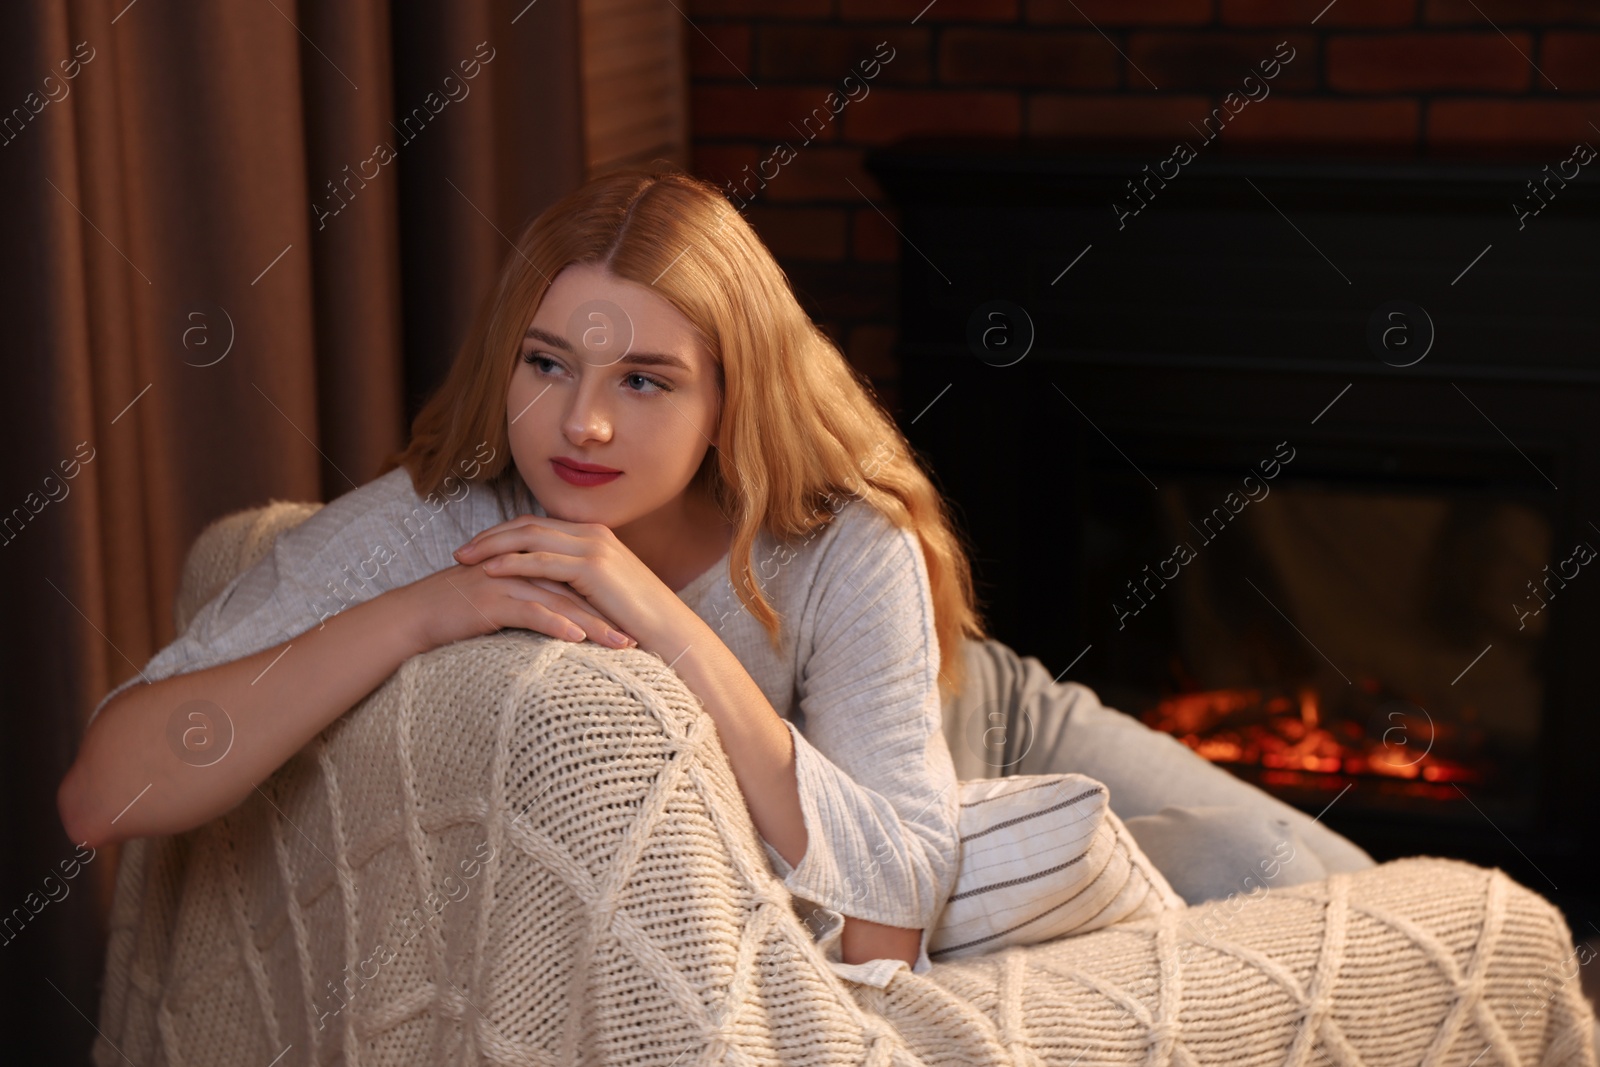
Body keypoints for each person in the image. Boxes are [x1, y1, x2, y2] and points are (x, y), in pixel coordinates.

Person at [58, 163, 1374, 992]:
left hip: (983, 716)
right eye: (548, 363)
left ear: (728, 397)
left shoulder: (836, 540)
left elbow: (893, 906)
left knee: (1326, 889)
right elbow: (101, 793)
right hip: (898, 788)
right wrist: (423, 609)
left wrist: (661, 624)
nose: (581, 426)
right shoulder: (433, 527)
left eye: (645, 380)